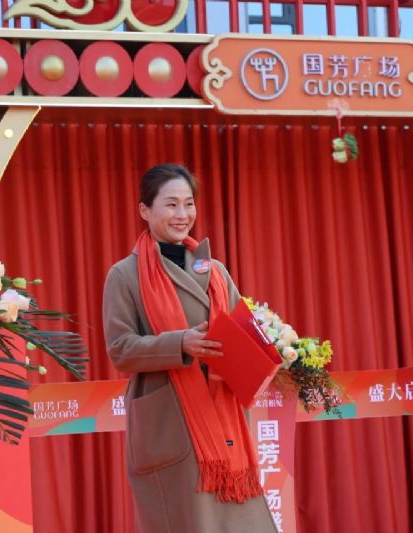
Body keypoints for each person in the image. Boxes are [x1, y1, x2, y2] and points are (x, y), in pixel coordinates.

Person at [102, 164, 276, 532]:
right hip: (171, 418)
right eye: (171, 205)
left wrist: (265, 350)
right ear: (144, 210)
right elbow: (120, 348)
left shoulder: (214, 270)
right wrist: (179, 343)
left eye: (189, 204)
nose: (183, 214)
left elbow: (241, 329)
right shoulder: (124, 275)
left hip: (223, 412)